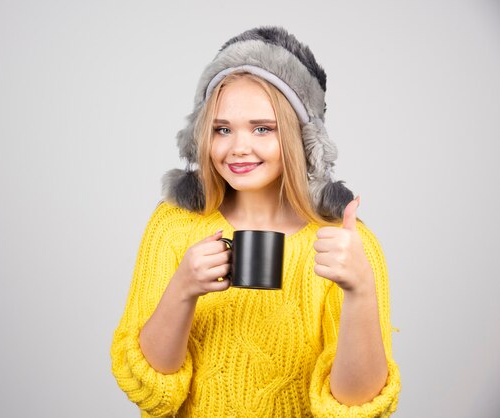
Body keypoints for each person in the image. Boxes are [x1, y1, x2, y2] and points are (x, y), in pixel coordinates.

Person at [111, 26, 401, 417]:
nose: (238, 147)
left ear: (301, 138)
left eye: (263, 128)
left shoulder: (344, 245)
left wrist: (360, 289)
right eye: (222, 129)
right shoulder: (173, 225)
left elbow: (356, 407)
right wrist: (182, 288)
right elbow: (151, 392)